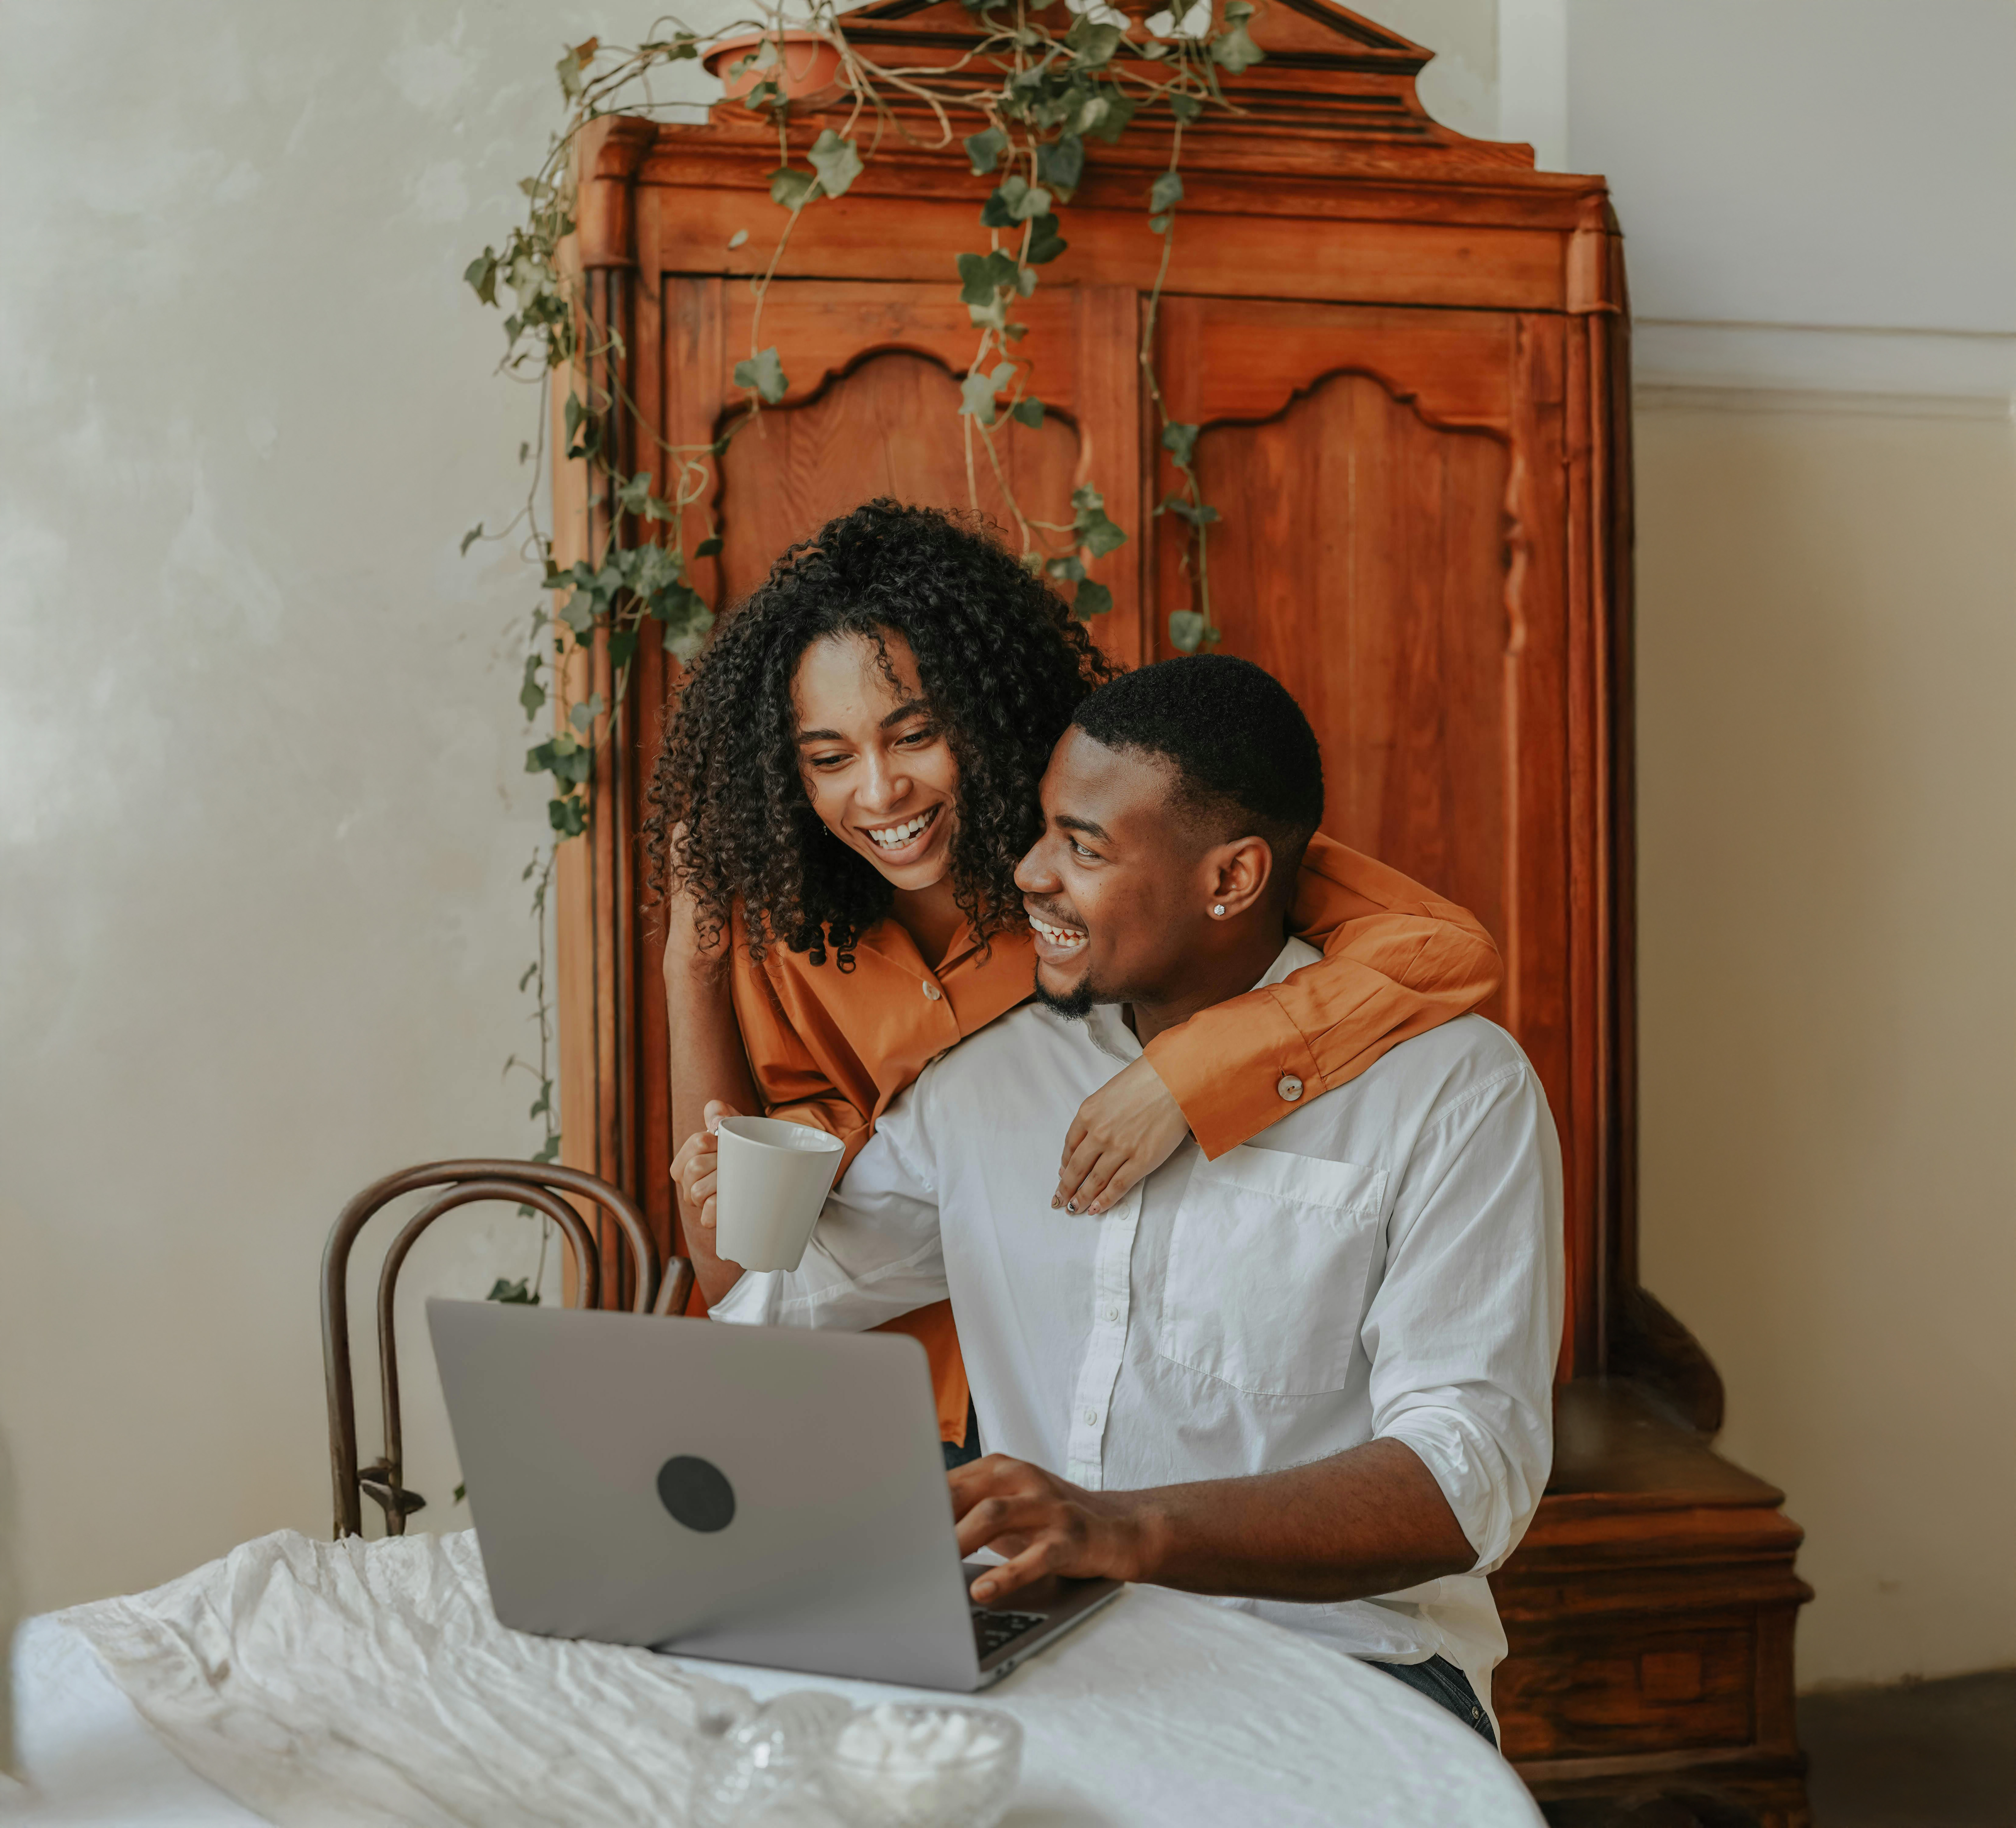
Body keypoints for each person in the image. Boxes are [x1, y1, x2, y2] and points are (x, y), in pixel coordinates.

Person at [680, 655, 1563, 1742]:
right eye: (1044, 830)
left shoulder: (1450, 1089)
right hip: (1038, 1656)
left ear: (1230, 881)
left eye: (1083, 848)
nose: (1031, 874)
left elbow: (1468, 1478)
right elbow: (766, 1304)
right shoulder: (983, 1085)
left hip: (1336, 1669)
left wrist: (1128, 1530)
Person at [645, 501, 1503, 1466]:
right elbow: (755, 1262)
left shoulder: (1113, 865)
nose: (878, 793)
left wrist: (1185, 1075)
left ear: (981, 714)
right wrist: (695, 967)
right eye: (830, 759)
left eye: (915, 735)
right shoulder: (792, 931)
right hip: (860, 1398)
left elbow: (1441, 950)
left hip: (1070, 1403)